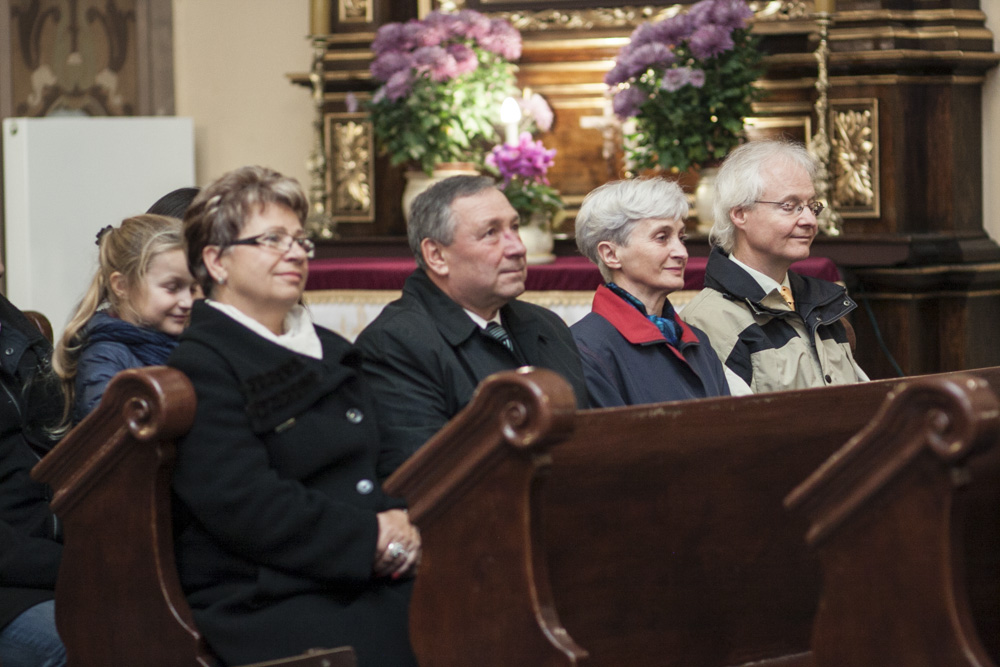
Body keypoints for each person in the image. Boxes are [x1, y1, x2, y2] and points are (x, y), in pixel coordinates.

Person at [169, 165, 419, 667]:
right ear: (216, 261)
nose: (295, 253)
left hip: (370, 568)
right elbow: (244, 502)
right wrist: (369, 538)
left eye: (301, 240)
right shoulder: (202, 363)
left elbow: (386, 453)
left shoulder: (331, 347)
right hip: (270, 592)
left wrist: (402, 516)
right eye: (272, 239)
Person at [355, 175, 588, 477]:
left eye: (514, 227)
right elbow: (427, 480)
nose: (517, 247)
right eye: (491, 233)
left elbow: (589, 436)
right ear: (437, 256)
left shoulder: (547, 325)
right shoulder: (394, 344)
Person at [681, 140, 869, 394]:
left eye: (812, 206)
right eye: (789, 206)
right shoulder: (707, 321)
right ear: (740, 214)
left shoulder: (819, 302)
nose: (810, 220)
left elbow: (861, 399)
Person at [571, 178, 733, 407]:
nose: (681, 252)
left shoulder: (698, 342)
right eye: (662, 238)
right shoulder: (586, 349)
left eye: (681, 238)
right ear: (611, 255)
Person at [53, 215, 198, 425]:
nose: (188, 302)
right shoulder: (103, 357)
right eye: (172, 288)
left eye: (193, 289)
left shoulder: (190, 343)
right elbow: (111, 433)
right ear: (122, 285)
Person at [0, 258, 67, 666]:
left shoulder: (22, 336)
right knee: (82, 642)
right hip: (12, 587)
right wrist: (74, 565)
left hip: (54, 554)